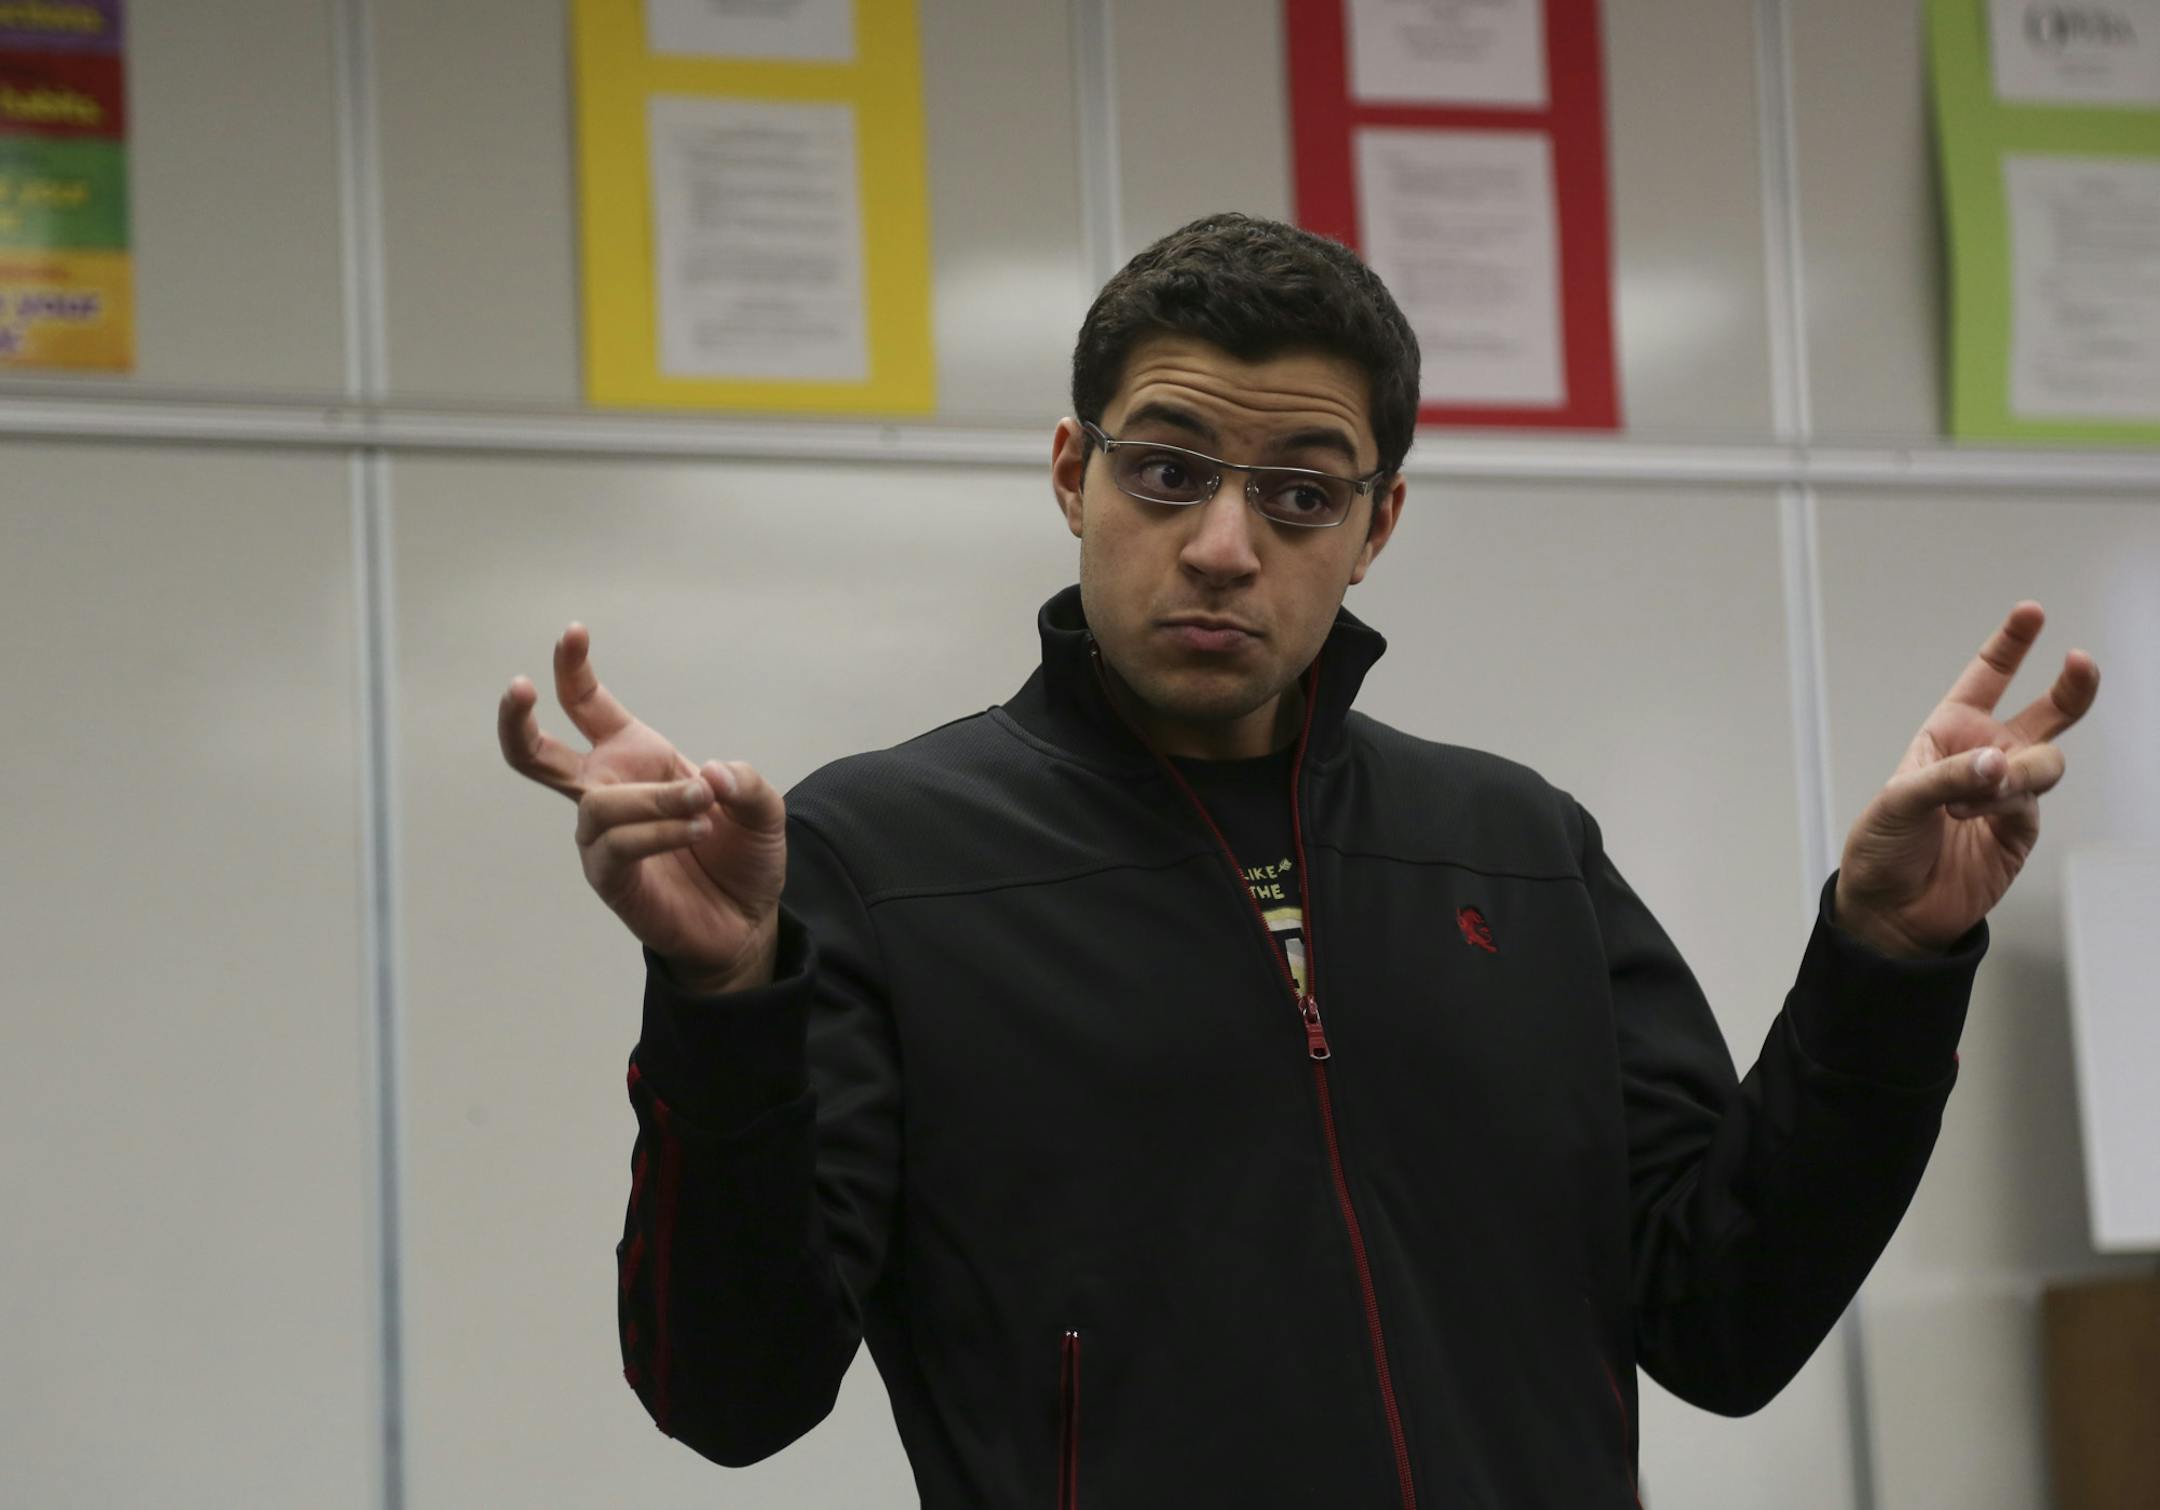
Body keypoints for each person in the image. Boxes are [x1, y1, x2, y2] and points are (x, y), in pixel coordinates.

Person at [497, 213, 2099, 1508]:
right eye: (1168, 467)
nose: (1219, 542)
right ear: (1075, 474)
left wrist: (1888, 962)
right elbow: (733, 1395)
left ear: (1376, 519)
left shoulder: (1516, 850)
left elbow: (1725, 1318)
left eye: (1298, 492)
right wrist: (721, 997)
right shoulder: (880, 859)